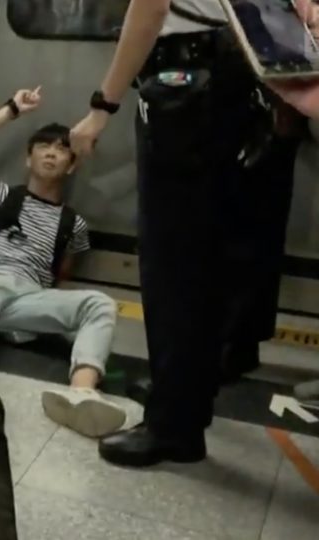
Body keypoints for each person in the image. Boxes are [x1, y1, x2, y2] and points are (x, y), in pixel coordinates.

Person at [70, 0, 306, 467]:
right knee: (217, 245)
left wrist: (103, 105)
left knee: (174, 258)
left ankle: (174, 425)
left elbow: (152, 6)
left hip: (190, 79)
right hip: (244, 72)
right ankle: (187, 387)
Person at [0, 87, 125, 439]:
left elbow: (62, 274)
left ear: (72, 165)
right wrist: (12, 108)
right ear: (28, 159)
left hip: (27, 298)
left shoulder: (72, 224)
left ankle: (82, 393)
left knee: (100, 304)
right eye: (43, 147)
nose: (51, 154)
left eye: (62, 149)